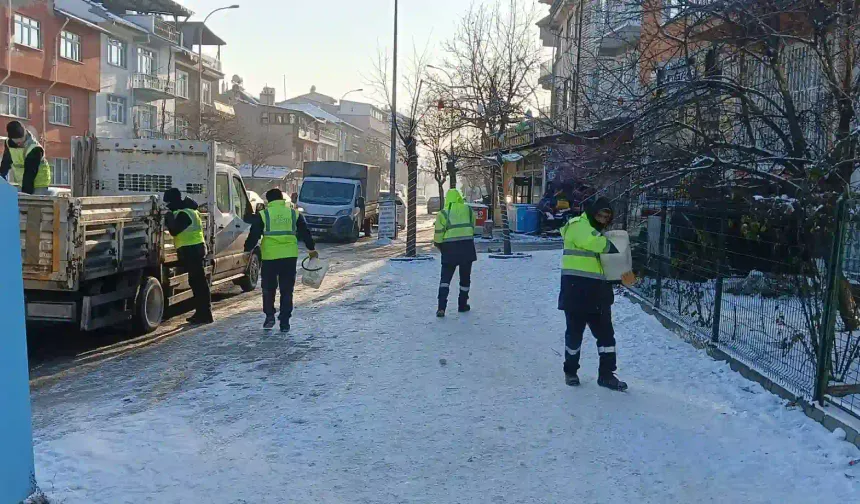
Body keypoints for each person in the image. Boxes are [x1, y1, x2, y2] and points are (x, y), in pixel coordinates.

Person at [559, 197, 635, 391]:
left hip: (598, 293)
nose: (603, 218)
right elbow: (595, 243)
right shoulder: (577, 225)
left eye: (607, 216)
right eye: (600, 214)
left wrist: (625, 272)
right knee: (574, 337)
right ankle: (570, 371)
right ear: (592, 212)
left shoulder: (601, 232)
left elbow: (609, 265)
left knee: (606, 337)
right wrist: (618, 249)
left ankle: (607, 375)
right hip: (576, 291)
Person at [245, 188, 318, 332]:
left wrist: (247, 249)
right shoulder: (293, 214)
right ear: (282, 199)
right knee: (286, 290)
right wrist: (311, 249)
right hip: (289, 257)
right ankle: (285, 321)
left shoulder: (264, 215)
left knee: (268, 288)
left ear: (269, 200)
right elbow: (305, 232)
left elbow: (254, 235)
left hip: (270, 257)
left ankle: (270, 316)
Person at [164, 188, 213, 325]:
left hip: (192, 250)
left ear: (173, 201)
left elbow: (174, 230)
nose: (167, 206)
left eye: (168, 203)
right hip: (196, 249)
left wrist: (168, 218)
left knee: (198, 284)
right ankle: (202, 313)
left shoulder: (184, 214)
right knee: (198, 283)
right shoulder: (190, 210)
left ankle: (205, 314)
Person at [433, 188, 477, 317]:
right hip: (467, 248)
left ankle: (441, 307)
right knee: (465, 279)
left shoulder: (443, 213)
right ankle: (462, 305)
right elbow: (472, 227)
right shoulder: (468, 210)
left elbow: (438, 235)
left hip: (449, 250)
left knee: (445, 279)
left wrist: (440, 246)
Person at [1, 121, 51, 195]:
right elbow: (6, 163)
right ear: (11, 138)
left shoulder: (34, 149)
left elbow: (29, 174)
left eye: (22, 139)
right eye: (17, 141)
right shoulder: (9, 143)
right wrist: (2, 180)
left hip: (40, 183)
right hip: (22, 182)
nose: (20, 142)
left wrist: (25, 194)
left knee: (35, 204)